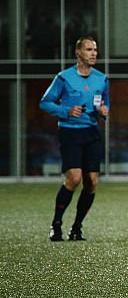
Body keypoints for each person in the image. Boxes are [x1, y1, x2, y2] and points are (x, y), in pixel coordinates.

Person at [39, 36, 109, 241]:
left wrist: (104, 111)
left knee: (92, 182)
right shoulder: (64, 77)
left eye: (95, 49)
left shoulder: (102, 79)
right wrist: (66, 111)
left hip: (91, 132)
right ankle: (56, 224)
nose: (94, 53)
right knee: (74, 178)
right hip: (70, 132)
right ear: (78, 53)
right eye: (89, 49)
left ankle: (77, 228)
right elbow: (45, 103)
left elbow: (105, 104)